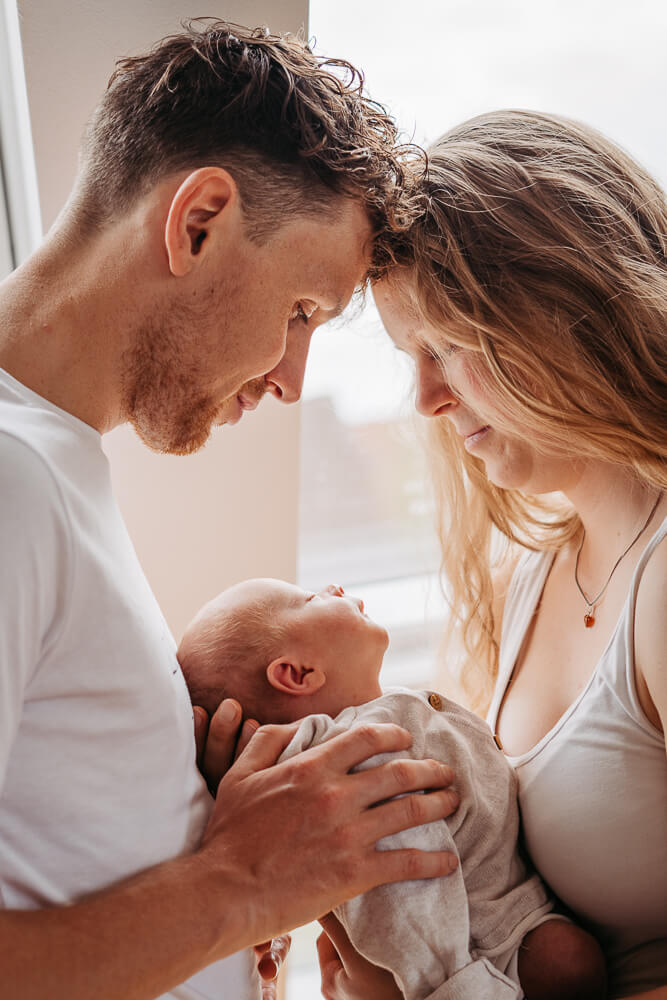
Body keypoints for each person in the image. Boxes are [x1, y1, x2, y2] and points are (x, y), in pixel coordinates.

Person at [0, 21, 462, 999]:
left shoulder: (55, 465)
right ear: (199, 219)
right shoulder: (10, 478)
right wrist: (240, 885)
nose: (293, 380)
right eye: (301, 313)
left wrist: (207, 868)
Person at [358, 110, 665, 1000]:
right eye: (409, 356)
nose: (423, 397)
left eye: (446, 347)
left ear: (560, 313)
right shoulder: (520, 581)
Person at [178, 576, 607, 1000]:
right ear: (298, 672)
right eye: (310, 598)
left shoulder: (379, 721)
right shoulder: (356, 762)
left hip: (506, 920)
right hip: (484, 951)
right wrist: (457, 985)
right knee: (569, 963)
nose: (334, 587)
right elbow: (406, 888)